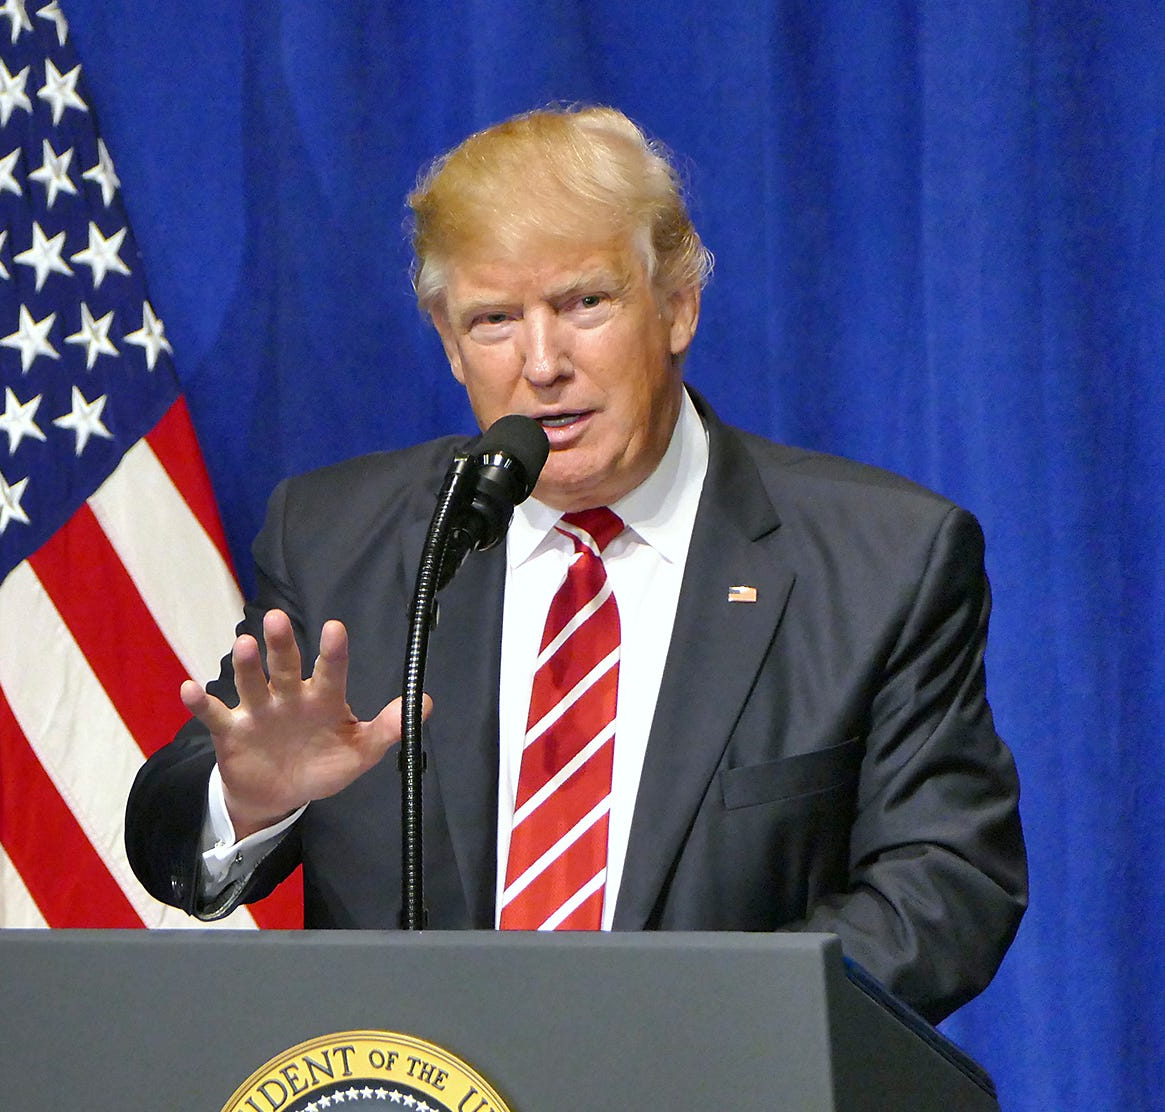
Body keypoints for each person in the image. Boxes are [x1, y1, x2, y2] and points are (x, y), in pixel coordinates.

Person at [125, 105, 1026, 1024]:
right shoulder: (338, 539)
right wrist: (242, 801)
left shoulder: (882, 560)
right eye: (493, 320)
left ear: (678, 304)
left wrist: (700, 1047)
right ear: (446, 342)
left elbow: (946, 880)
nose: (542, 362)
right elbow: (169, 837)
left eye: (583, 303)